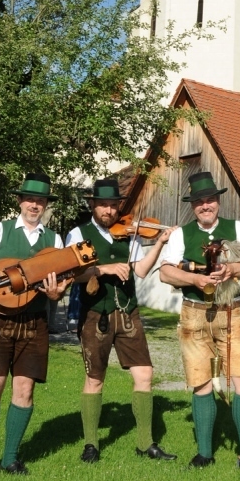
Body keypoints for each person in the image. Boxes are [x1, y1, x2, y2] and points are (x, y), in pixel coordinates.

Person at [159, 171, 240, 472]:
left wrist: (232, 270)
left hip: (231, 311)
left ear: (218, 201)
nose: (205, 205)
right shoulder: (181, 235)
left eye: (209, 200)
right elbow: (165, 272)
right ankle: (204, 453)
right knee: (200, 381)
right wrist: (194, 279)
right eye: (199, 201)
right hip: (193, 312)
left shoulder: (238, 228)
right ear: (192, 205)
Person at [67, 177, 176, 463]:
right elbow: (74, 275)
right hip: (95, 313)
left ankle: (145, 443)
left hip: (128, 311)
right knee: (95, 379)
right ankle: (91, 444)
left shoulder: (129, 234)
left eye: (113, 206)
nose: (109, 211)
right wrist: (104, 269)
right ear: (93, 205)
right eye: (103, 205)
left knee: (145, 374)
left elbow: (140, 270)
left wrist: (160, 243)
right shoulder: (79, 234)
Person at [0, 173, 66, 479]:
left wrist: (55, 294)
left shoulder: (54, 240)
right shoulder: (0, 230)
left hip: (34, 323)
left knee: (24, 389)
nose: (35, 205)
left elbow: (60, 286)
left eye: (40, 201)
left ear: (46, 204)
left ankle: (10, 459)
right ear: (20, 201)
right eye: (30, 199)